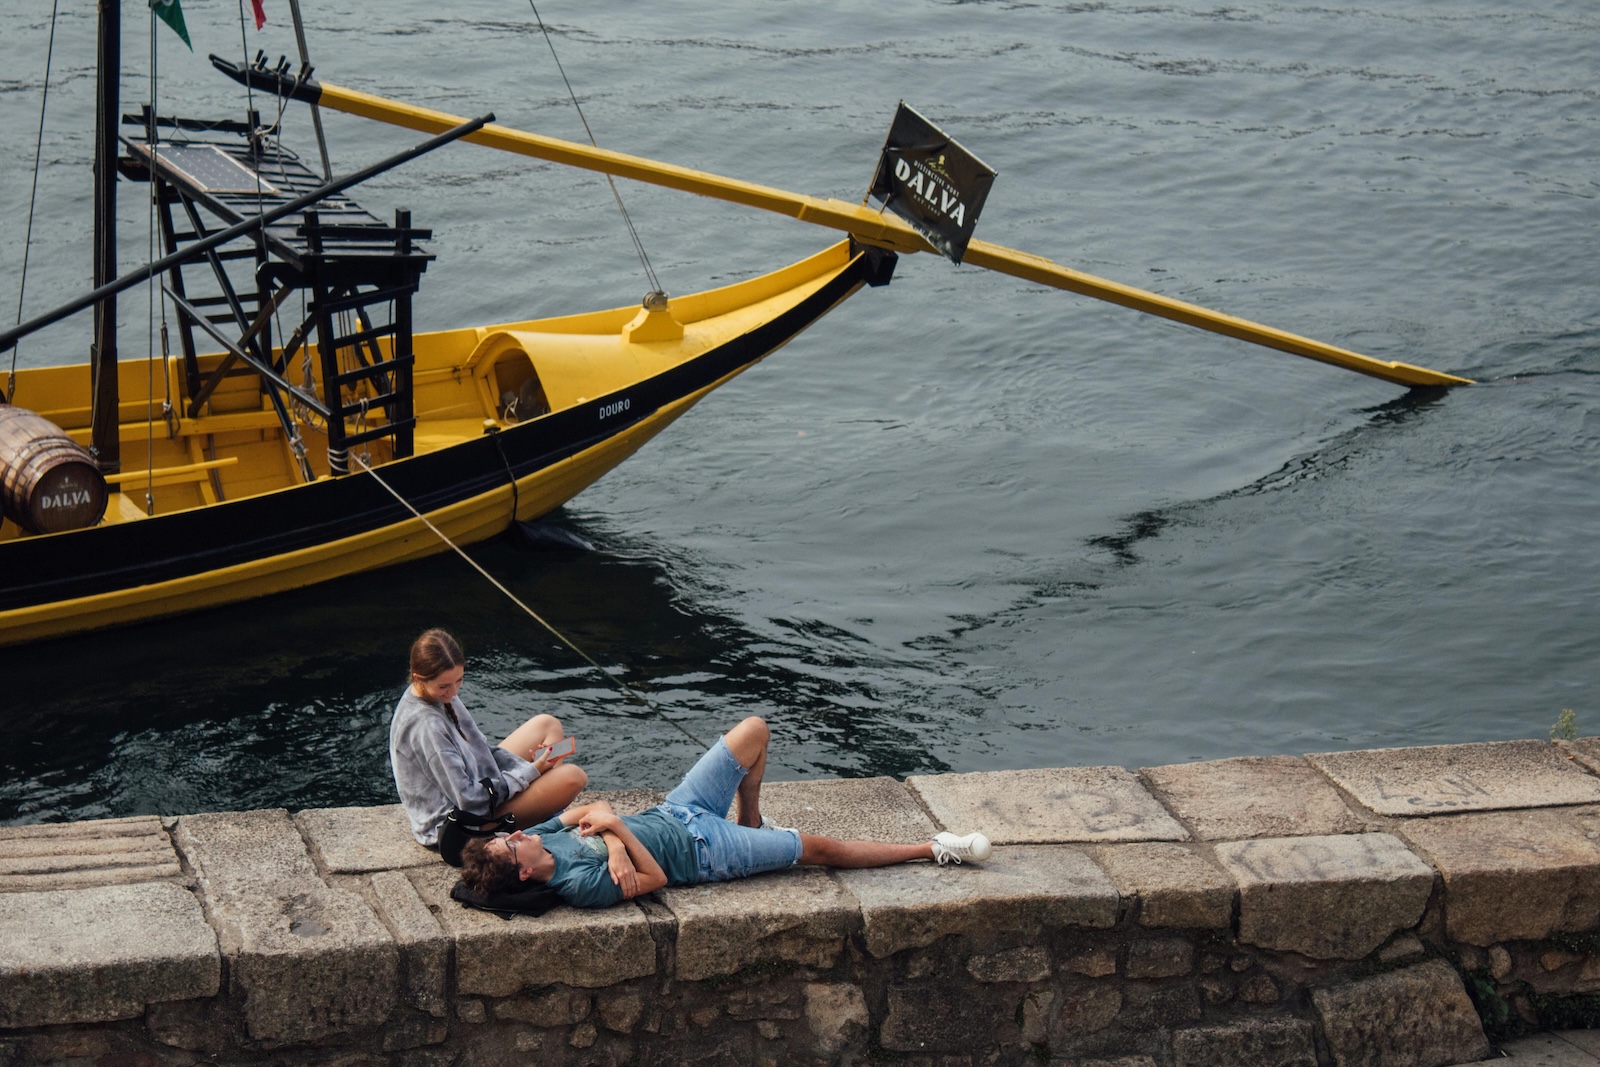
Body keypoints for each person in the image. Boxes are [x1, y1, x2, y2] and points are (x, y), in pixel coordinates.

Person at [458, 715, 991, 908]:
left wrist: (616, 834)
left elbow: (593, 807)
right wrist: (615, 829)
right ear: (524, 869)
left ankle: (752, 818)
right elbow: (657, 877)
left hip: (678, 809)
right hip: (705, 852)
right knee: (815, 850)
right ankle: (932, 848)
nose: (517, 833)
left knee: (754, 730)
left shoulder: (548, 839)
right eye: (511, 842)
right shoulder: (577, 885)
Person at [390, 628, 588, 858]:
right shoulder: (426, 725)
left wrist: (526, 771)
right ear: (418, 678)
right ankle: (547, 813)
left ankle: (544, 807)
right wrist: (531, 773)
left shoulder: (436, 694)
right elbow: (471, 802)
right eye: (445, 686)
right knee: (573, 777)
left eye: (458, 680)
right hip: (459, 825)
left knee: (548, 725)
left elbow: (482, 751)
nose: (453, 692)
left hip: (480, 787)